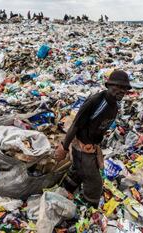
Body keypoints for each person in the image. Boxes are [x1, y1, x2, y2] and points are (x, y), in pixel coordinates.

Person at [56, 70, 131, 207]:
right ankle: (88, 211)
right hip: (81, 146)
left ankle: (63, 191)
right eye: (118, 87)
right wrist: (64, 147)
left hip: (92, 147)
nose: (122, 91)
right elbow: (75, 125)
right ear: (109, 85)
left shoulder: (114, 105)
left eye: (125, 88)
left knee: (78, 172)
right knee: (95, 183)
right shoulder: (96, 101)